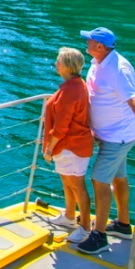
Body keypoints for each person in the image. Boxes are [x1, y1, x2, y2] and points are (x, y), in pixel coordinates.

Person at [76, 27, 135, 255]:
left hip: (117, 137)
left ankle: (99, 236)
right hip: (107, 135)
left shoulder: (118, 69)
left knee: (98, 180)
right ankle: (123, 225)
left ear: (100, 47)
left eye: (90, 41)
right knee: (119, 177)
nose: (86, 43)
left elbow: (134, 100)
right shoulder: (97, 63)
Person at [42, 47, 93, 245]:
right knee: (67, 182)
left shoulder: (71, 90)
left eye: (59, 61)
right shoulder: (75, 85)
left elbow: (61, 126)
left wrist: (48, 149)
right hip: (71, 146)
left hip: (71, 146)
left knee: (78, 186)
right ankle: (70, 216)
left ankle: (85, 228)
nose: (56, 64)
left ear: (68, 66)